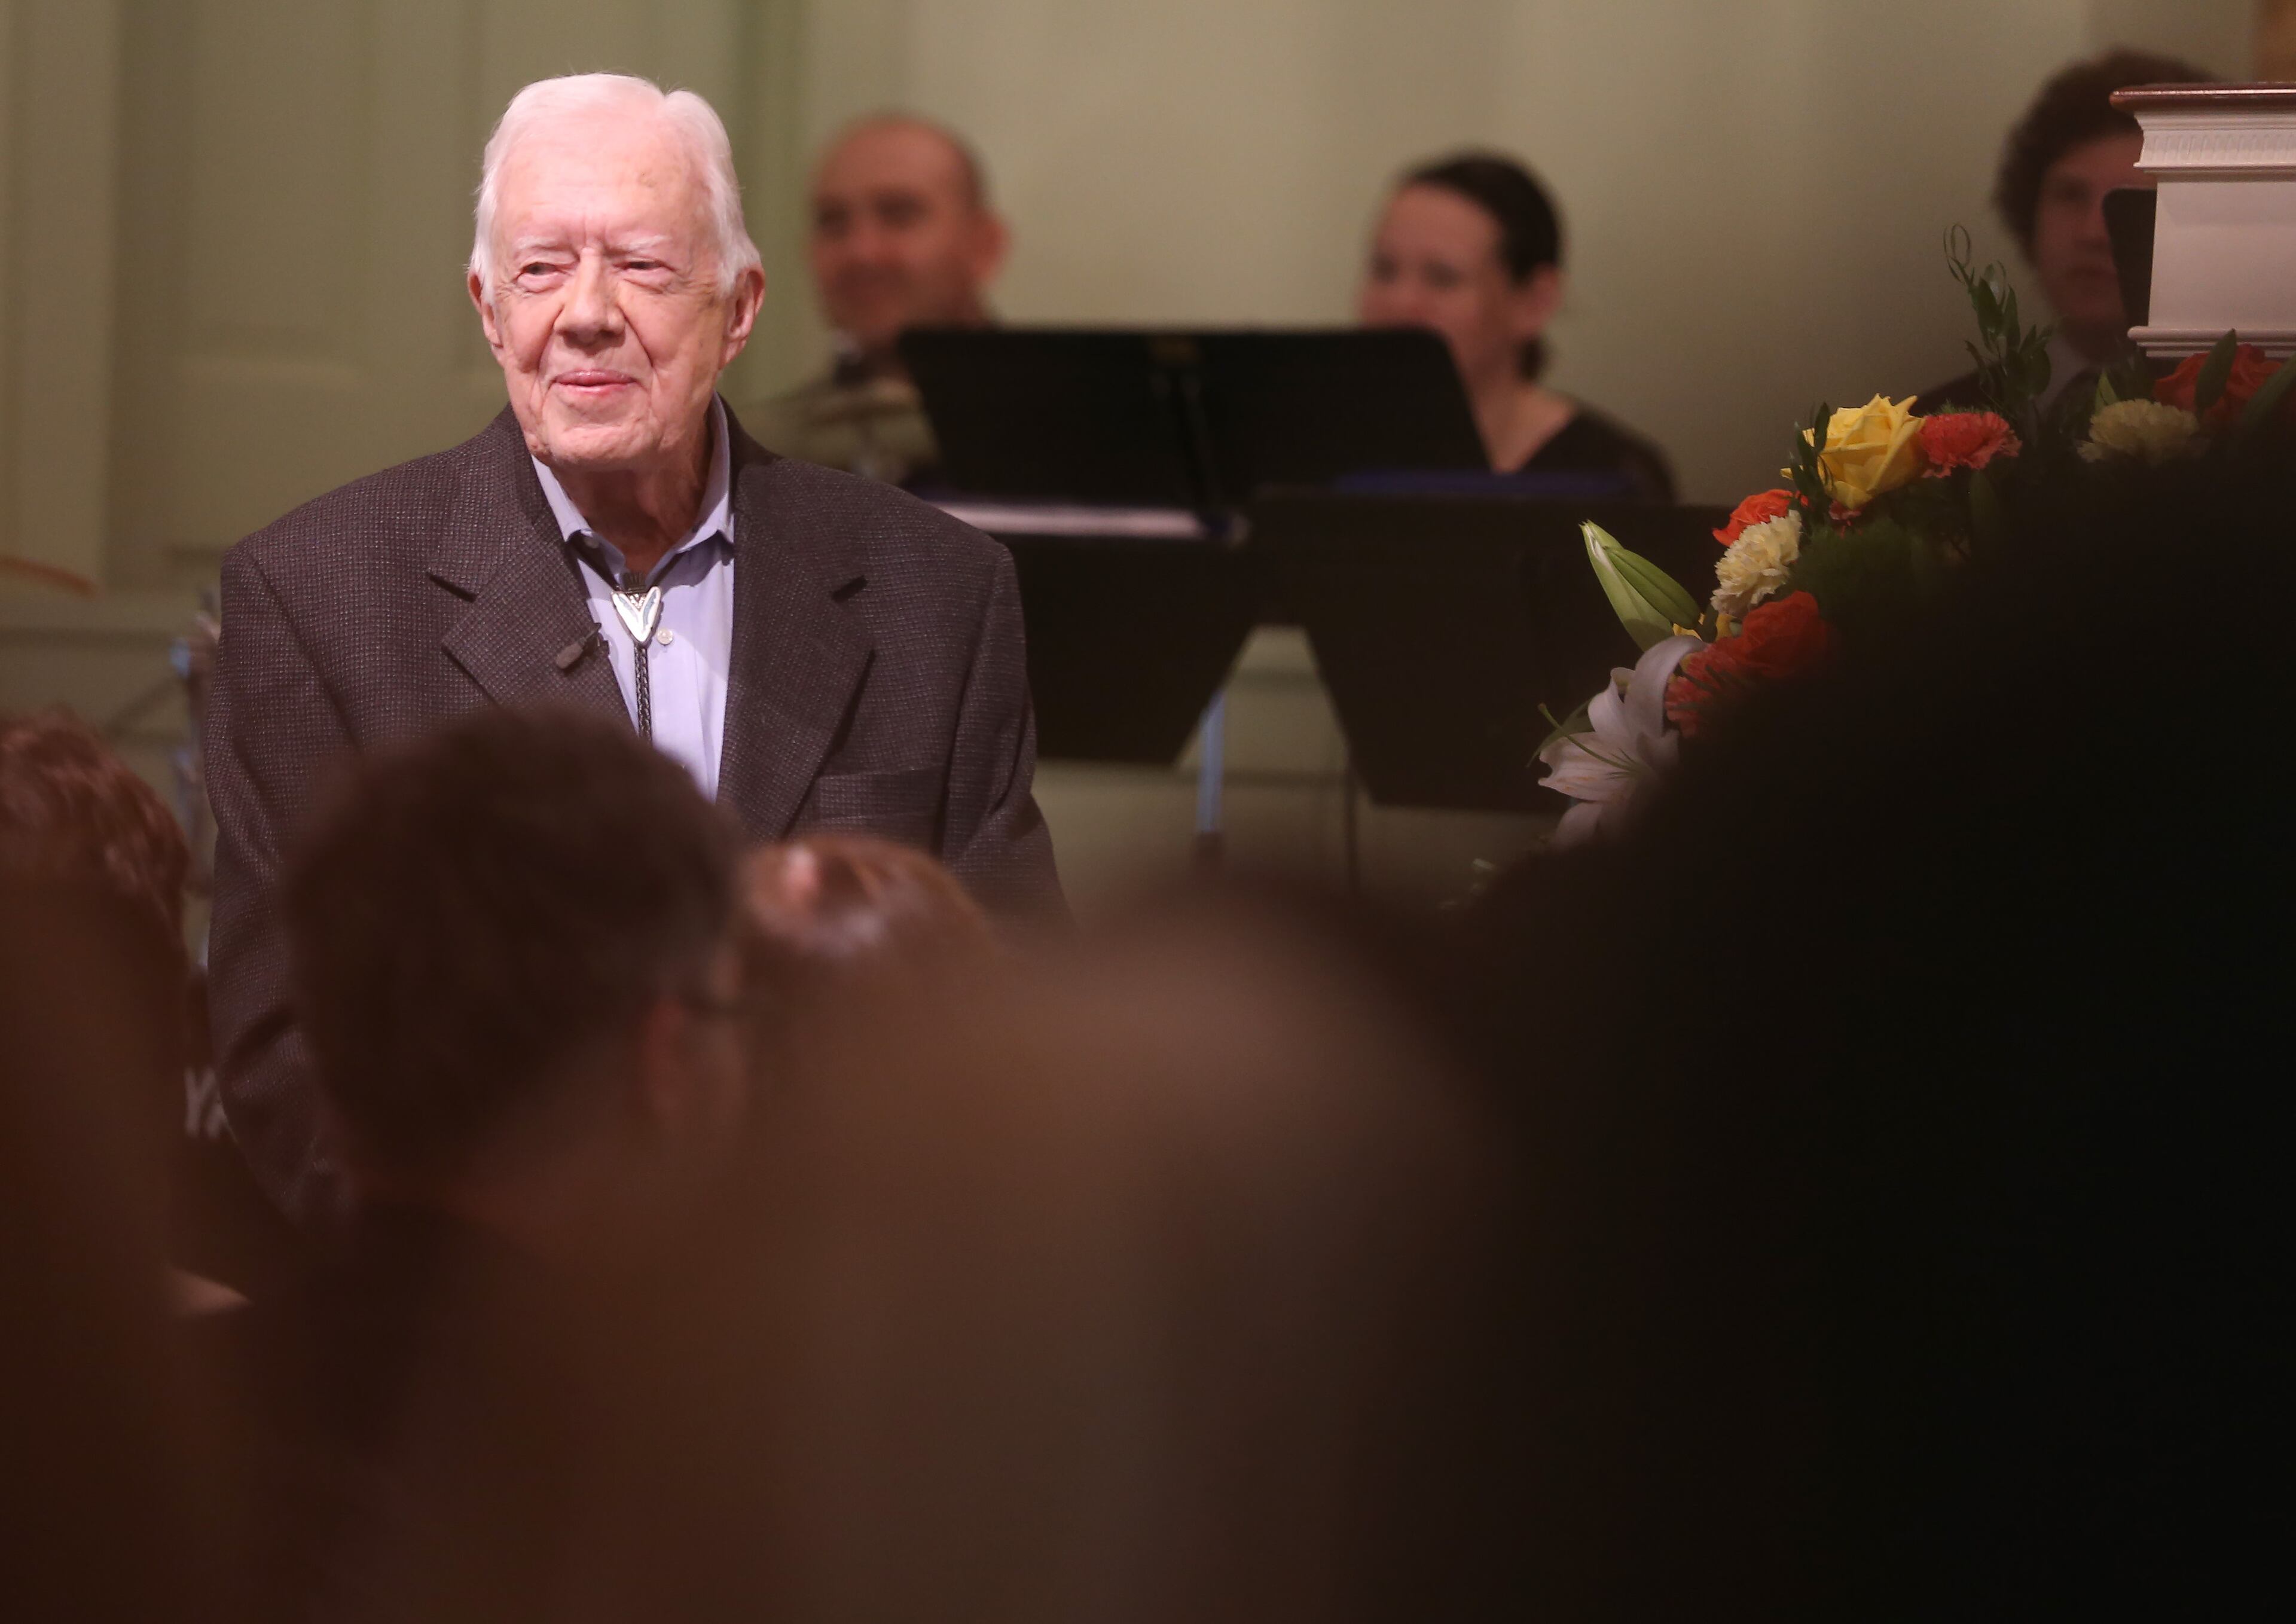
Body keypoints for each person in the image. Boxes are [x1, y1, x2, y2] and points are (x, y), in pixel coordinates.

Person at [204, 72, 1060, 1222]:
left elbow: (1007, 1000)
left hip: (847, 1317)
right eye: (541, 267)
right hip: (488, 1346)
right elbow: (285, 1054)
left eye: (644, 266)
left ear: (741, 303)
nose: (588, 312)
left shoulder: (937, 591)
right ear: (487, 307)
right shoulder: (316, 597)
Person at [200, 706, 755, 1622]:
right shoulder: (745, 1522)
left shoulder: (116, 1438)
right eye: (736, 1016)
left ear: (332, 1051)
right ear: (666, 1058)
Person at [1358, 151, 1674, 500]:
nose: (1400, 303)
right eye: (1384, 270)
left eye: (1443, 278)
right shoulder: (1318, 450)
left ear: (1534, 303)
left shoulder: (1616, 477)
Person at [1922, 48, 2215, 414]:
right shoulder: (1928, 432)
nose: (2094, 233)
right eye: (2071, 196)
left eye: (2130, 203)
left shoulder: (2258, 431)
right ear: (2030, 211)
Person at [740, 115, 1009, 485]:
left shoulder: (1065, 434)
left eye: (899, 215)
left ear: (984, 246)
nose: (862, 253)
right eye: (834, 222)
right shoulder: (760, 456)